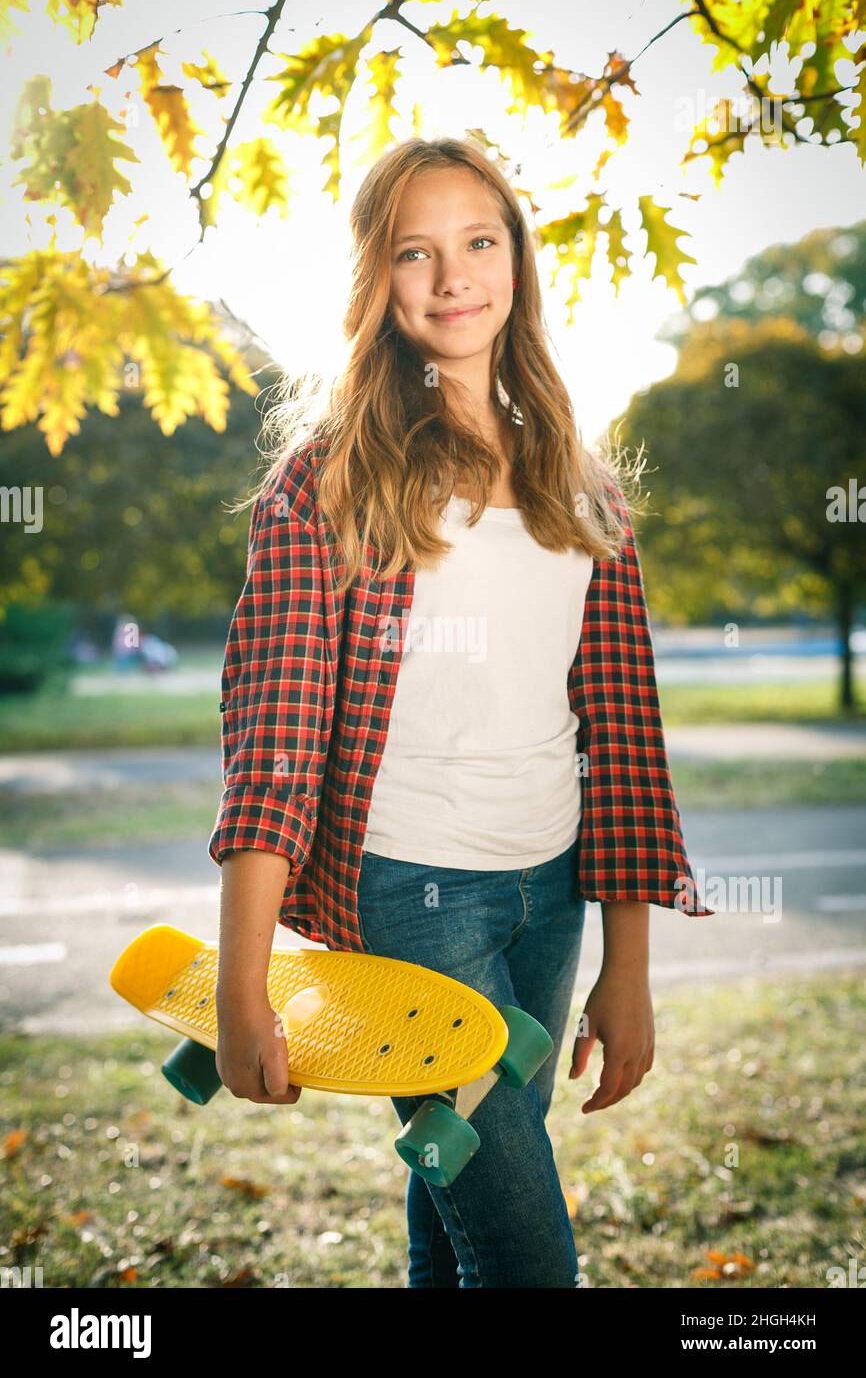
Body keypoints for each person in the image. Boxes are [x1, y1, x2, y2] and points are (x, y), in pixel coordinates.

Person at [208, 136, 714, 1289]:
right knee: (526, 1251)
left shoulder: (581, 484)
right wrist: (243, 990)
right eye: (413, 253)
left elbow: (624, 734)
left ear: (516, 261)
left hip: (548, 891)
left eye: (478, 242)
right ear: (374, 284)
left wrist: (625, 964)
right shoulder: (329, 481)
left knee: (456, 1209)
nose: (452, 278)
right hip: (408, 898)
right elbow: (273, 747)